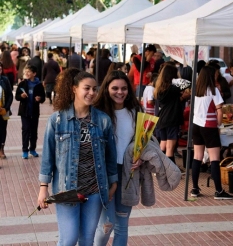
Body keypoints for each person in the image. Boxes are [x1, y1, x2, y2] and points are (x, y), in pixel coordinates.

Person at [38, 69, 118, 246]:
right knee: (68, 239)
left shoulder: (103, 120)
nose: (91, 93)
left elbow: (110, 156)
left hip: (95, 189)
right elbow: (47, 157)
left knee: (87, 240)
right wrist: (43, 187)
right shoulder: (57, 120)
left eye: (95, 89)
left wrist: (113, 183)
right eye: (87, 88)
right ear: (74, 88)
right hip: (67, 189)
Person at [93, 70, 142, 246]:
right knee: (107, 225)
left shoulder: (135, 111)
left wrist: (141, 157)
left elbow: (144, 140)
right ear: (106, 88)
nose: (120, 92)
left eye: (123, 88)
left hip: (128, 173)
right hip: (104, 175)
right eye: (115, 88)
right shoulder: (97, 113)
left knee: (122, 226)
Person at [191, 65, 233, 200]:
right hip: (209, 126)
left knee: (197, 157)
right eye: (215, 74)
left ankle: (195, 188)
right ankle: (219, 191)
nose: (217, 76)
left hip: (196, 125)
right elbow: (219, 111)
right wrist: (219, 125)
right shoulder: (214, 91)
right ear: (210, 76)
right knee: (214, 158)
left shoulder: (196, 90)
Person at [154, 64, 190, 164]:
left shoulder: (159, 89)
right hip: (172, 118)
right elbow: (187, 83)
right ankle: (170, 170)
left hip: (162, 118)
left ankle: (159, 167)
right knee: (170, 147)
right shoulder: (173, 88)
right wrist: (175, 80)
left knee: (163, 144)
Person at [15, 65, 46, 159]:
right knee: (25, 130)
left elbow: (43, 98)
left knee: (33, 131)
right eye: (26, 72)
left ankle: (32, 149)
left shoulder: (39, 85)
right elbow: (17, 97)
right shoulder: (22, 84)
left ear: (34, 74)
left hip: (35, 111)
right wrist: (21, 96)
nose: (27, 74)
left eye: (29, 72)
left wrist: (39, 99)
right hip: (25, 111)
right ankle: (25, 150)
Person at [0, 62, 13, 159]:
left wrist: (6, 107)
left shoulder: (5, 80)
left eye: (0, 68)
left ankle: (1, 149)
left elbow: (10, 95)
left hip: (4, 110)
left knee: (3, 130)